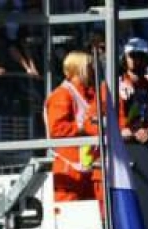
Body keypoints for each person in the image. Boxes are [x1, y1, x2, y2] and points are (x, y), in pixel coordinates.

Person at [44, 49, 101, 203]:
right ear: (78, 69)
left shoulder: (90, 94)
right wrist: (84, 128)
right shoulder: (62, 94)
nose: (94, 70)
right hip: (69, 170)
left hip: (87, 168)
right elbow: (56, 129)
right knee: (69, 214)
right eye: (90, 66)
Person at [118, 38, 148, 144]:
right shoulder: (113, 86)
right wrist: (119, 131)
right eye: (132, 55)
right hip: (121, 145)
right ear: (124, 58)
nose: (137, 60)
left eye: (141, 56)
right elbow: (91, 122)